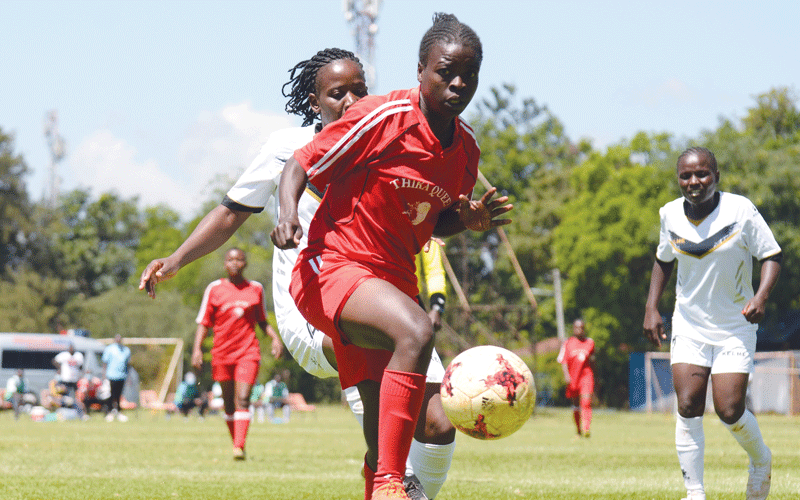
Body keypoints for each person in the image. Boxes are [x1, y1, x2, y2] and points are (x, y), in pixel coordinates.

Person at [140, 46, 457, 499]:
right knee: (389, 436)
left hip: (382, 301)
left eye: (360, 90)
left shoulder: (384, 140)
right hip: (311, 311)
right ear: (314, 102)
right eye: (337, 93)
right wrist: (176, 259)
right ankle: (393, 479)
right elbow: (232, 212)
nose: (351, 101)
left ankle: (401, 484)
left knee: (439, 425)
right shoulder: (286, 148)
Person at [271, 13, 512, 500]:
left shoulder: (465, 150)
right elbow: (301, 162)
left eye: (470, 73)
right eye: (446, 70)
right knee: (417, 328)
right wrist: (287, 214)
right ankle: (390, 485)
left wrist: (467, 219)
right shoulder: (383, 116)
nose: (459, 82)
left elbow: (431, 218)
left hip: (392, 283)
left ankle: (382, 480)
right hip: (333, 267)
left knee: (386, 438)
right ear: (420, 69)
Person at [643, 147, 781, 500]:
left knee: (729, 409)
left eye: (702, 174)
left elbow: (771, 255)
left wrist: (760, 297)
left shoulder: (740, 210)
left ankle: (761, 460)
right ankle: (695, 493)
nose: (693, 182)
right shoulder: (669, 214)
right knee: (688, 403)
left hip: (734, 325)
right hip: (689, 324)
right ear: (678, 180)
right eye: (685, 176)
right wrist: (652, 308)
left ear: (716, 176)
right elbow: (663, 260)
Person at [193, 247, 282, 460]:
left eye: (239, 259)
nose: (234, 263)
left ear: (245, 264)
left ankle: (239, 446)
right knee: (229, 402)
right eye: (230, 259)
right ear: (225, 263)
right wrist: (197, 349)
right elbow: (204, 323)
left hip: (248, 352)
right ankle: (237, 443)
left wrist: (275, 338)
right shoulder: (214, 289)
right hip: (221, 353)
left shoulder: (255, 289)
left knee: (242, 398)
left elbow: (262, 320)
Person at [557, 319, 595, 437]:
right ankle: (578, 429)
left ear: (584, 329)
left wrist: (596, 378)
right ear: (573, 329)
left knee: (586, 402)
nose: (579, 330)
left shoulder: (590, 342)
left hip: (586, 376)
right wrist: (566, 376)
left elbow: (593, 361)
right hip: (573, 378)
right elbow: (563, 361)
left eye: (581, 328)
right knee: (576, 406)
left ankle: (586, 427)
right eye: (577, 327)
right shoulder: (568, 343)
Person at [102, 334, 132, 422]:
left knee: (119, 395)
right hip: (111, 375)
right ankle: (110, 412)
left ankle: (118, 411)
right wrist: (104, 376)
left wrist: (129, 376)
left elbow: (128, 364)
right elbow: (105, 363)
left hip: (121, 376)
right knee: (111, 394)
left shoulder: (126, 350)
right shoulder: (110, 349)